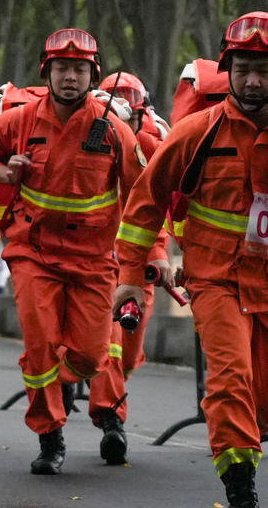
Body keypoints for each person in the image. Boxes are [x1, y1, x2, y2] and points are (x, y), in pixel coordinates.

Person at [113, 12, 268, 508]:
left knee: (264, 404)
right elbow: (145, 202)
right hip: (216, 280)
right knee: (229, 381)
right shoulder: (197, 132)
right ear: (227, 69)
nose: (251, 80)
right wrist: (130, 276)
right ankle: (240, 488)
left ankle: (246, 436)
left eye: (264, 69)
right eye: (242, 67)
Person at [0, 29, 145, 475]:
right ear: (47, 72)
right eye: (62, 68)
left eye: (79, 69)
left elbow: (143, 192)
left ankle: (65, 382)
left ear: (93, 75)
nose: (70, 77)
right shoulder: (21, 120)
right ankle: (50, 437)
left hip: (94, 260)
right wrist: (3, 172)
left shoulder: (115, 130)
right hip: (34, 252)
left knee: (90, 355)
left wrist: (142, 259)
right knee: (40, 342)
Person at [86, 72, 168, 463]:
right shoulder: (89, 141)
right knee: (111, 343)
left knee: (129, 354)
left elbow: (159, 211)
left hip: (138, 262)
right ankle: (111, 421)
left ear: (141, 116)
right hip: (98, 262)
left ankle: (97, 382)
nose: (121, 126)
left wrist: (160, 257)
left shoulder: (156, 149)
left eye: (129, 118)